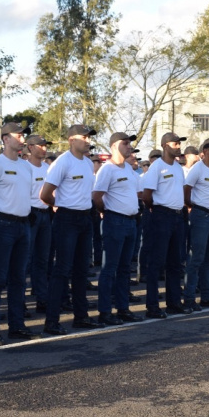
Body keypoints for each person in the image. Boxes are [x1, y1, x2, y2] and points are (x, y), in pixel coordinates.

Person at [0, 122, 40, 345]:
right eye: (18, 135)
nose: (23, 139)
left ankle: (17, 326)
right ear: (5, 139)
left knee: (19, 279)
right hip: (3, 225)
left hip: (23, 226)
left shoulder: (26, 166)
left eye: (23, 135)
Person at [41, 125, 105, 333]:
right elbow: (45, 194)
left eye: (89, 137)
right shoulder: (62, 162)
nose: (87, 140)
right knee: (62, 270)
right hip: (67, 219)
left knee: (81, 270)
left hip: (85, 218)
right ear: (71, 140)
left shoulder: (87, 163)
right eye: (84, 137)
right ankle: (52, 321)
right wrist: (59, 206)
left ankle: (81, 316)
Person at [93, 132, 143, 326]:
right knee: (109, 269)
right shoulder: (108, 170)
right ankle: (105, 311)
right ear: (114, 146)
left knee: (124, 269)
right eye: (125, 143)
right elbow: (97, 196)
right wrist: (106, 212)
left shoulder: (129, 169)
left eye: (129, 143)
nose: (129, 146)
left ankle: (123, 308)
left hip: (130, 222)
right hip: (115, 221)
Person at [140, 132, 189, 317]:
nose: (178, 146)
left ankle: (173, 302)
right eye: (175, 143)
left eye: (179, 143)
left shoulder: (177, 167)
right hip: (161, 215)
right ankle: (152, 306)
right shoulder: (156, 167)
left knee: (175, 263)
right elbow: (146, 196)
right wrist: (156, 210)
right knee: (156, 263)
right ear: (165, 146)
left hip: (177, 217)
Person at [183, 138, 209, 310]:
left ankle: (207, 296)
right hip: (200, 215)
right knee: (196, 258)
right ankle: (189, 298)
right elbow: (186, 190)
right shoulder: (197, 168)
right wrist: (193, 207)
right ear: (206, 151)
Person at [25, 135, 52, 313]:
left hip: (45, 213)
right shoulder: (25, 167)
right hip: (30, 214)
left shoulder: (48, 168)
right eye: (40, 145)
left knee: (42, 260)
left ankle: (42, 299)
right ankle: (20, 301)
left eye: (45, 145)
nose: (44, 148)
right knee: (24, 261)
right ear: (30, 147)